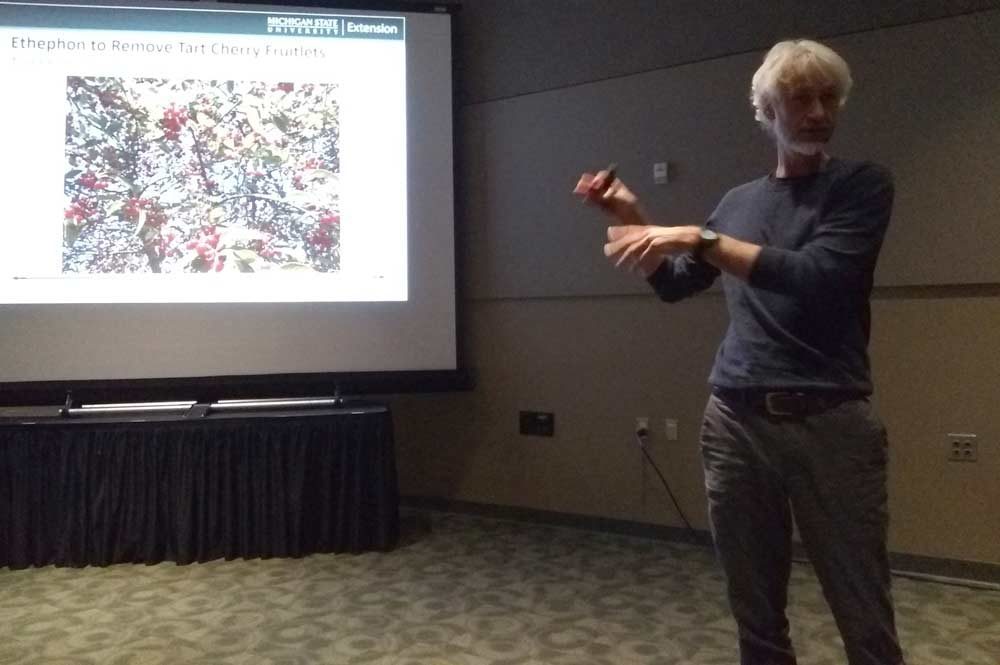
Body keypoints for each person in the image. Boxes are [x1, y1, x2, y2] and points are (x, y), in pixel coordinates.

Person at [574, 39, 905, 665]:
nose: (817, 112)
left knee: (863, 612)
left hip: (830, 422)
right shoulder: (738, 203)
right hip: (734, 421)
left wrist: (695, 237)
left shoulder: (862, 186)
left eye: (828, 97)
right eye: (800, 98)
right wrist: (633, 215)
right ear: (767, 110)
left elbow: (813, 276)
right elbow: (676, 286)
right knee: (755, 615)